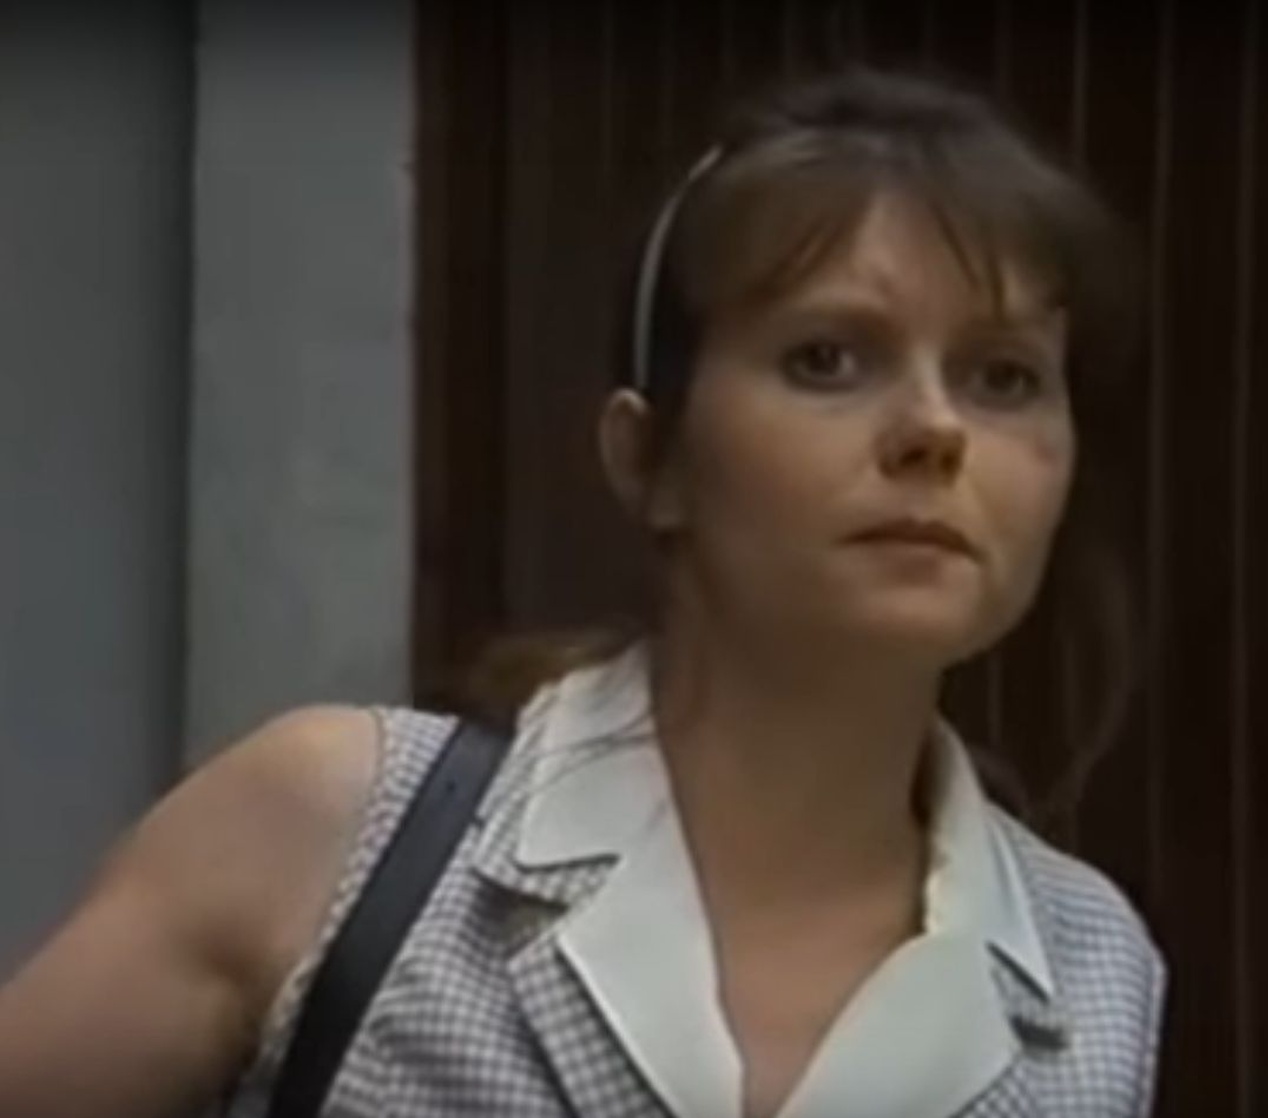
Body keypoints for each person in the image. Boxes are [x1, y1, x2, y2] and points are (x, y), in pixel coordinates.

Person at [0, 66, 1164, 1118]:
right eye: (826, 357)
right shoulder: (341, 827)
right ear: (649, 458)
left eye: (1003, 376)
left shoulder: (1093, 966)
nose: (934, 430)